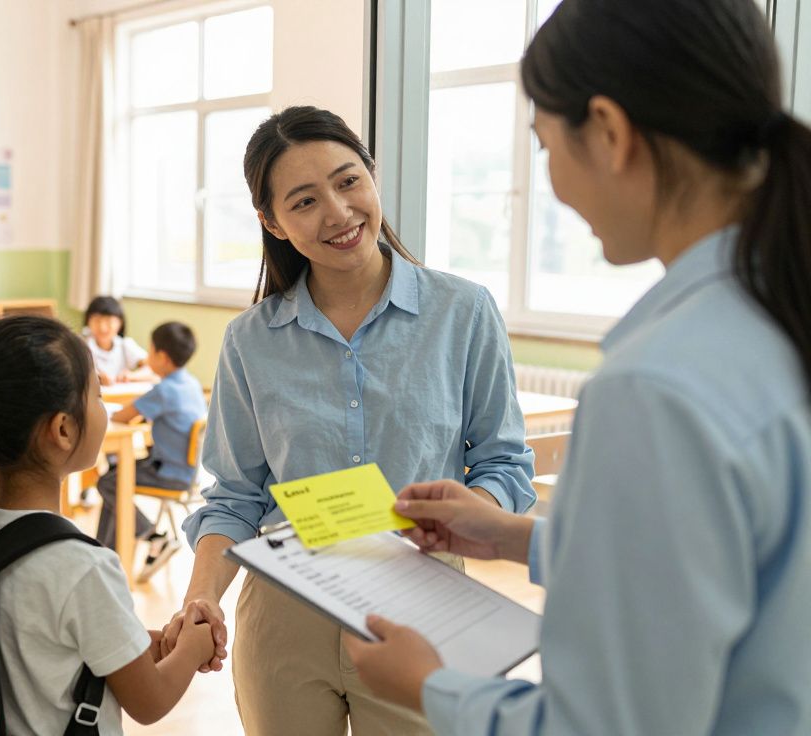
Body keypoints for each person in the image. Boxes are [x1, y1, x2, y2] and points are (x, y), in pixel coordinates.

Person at [342, 1, 811, 733]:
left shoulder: (657, 388)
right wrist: (519, 536)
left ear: (611, 132)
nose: (553, 184)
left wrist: (432, 687)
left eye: (545, 146)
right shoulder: (776, 317)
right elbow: (745, 570)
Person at [159, 106, 536, 735]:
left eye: (348, 181)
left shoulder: (462, 311)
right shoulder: (250, 340)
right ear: (271, 222)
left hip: (423, 605)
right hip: (284, 613)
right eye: (304, 201)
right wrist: (201, 598)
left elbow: (503, 462)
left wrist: (462, 516)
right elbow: (236, 497)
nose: (337, 212)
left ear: (372, 178)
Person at [0, 315, 216, 734]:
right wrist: (195, 647)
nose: (103, 408)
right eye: (98, 395)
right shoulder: (83, 568)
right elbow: (151, 701)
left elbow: (42, 643)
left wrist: (142, 644)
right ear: (64, 429)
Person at [101, 321, 207, 581]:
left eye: (149, 351)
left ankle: (153, 537)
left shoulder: (164, 390)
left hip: (168, 472)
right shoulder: (189, 383)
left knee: (109, 482)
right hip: (189, 471)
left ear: (162, 357)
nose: (147, 358)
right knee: (115, 477)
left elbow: (125, 416)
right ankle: (103, 553)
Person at [83, 296, 156, 385]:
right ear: (88, 321)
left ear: (120, 323)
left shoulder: (125, 344)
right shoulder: (81, 344)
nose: (103, 328)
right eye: (97, 320)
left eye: (109, 321)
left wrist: (130, 376)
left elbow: (152, 367)